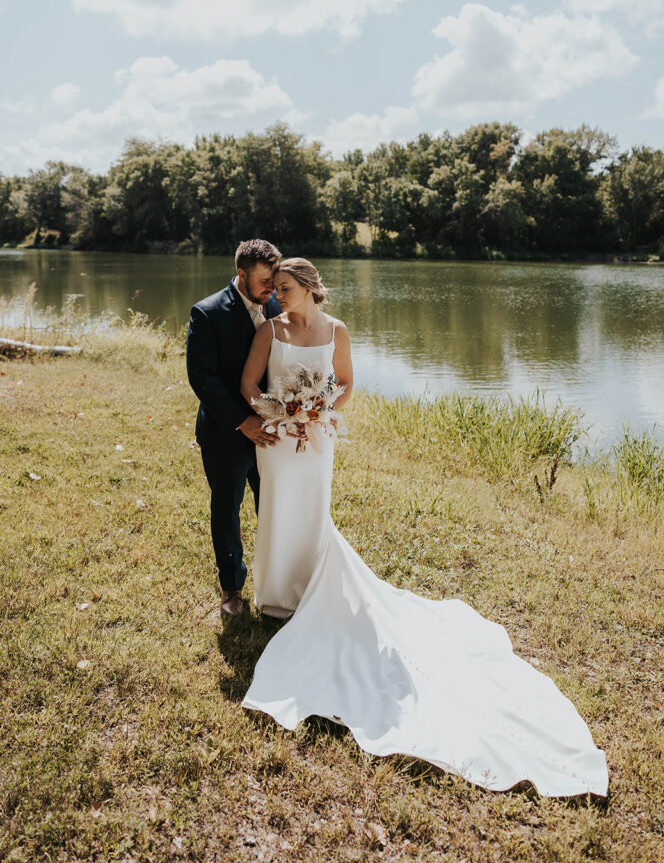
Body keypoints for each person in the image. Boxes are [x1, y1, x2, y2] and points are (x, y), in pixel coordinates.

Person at [238, 257, 609, 797]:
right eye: (277, 290)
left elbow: (346, 384)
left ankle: (311, 590)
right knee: (275, 511)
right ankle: (276, 596)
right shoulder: (270, 330)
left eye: (287, 289)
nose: (278, 296)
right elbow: (249, 383)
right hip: (278, 442)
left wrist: (318, 410)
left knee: (313, 513)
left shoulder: (336, 331)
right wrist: (276, 410)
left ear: (311, 289)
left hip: (317, 444)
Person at [186, 238, 282, 618]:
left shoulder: (276, 303)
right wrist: (243, 421)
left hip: (272, 433)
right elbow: (202, 378)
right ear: (241, 274)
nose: (271, 290)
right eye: (263, 282)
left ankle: (275, 580)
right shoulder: (207, 313)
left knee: (273, 506)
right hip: (225, 433)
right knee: (227, 509)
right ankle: (232, 588)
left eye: (274, 281)